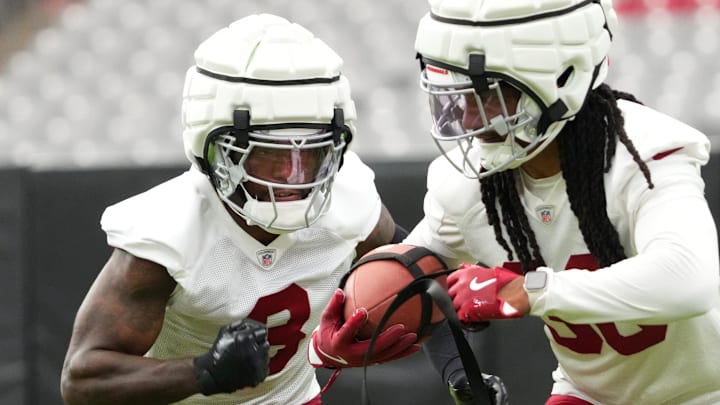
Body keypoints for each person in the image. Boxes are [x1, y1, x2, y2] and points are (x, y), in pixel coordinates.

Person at [60, 14, 421, 405]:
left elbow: (420, 282)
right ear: (219, 151)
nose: (293, 177)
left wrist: (459, 373)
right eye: (269, 156)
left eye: (312, 153)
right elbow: (82, 380)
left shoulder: (350, 201)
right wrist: (204, 371)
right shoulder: (171, 233)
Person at [406, 0, 720, 404]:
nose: (469, 120)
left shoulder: (645, 154)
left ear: (561, 78)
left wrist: (531, 289)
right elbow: (413, 274)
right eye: (460, 95)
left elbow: (688, 280)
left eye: (489, 94)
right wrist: (352, 321)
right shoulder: (468, 185)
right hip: (590, 393)